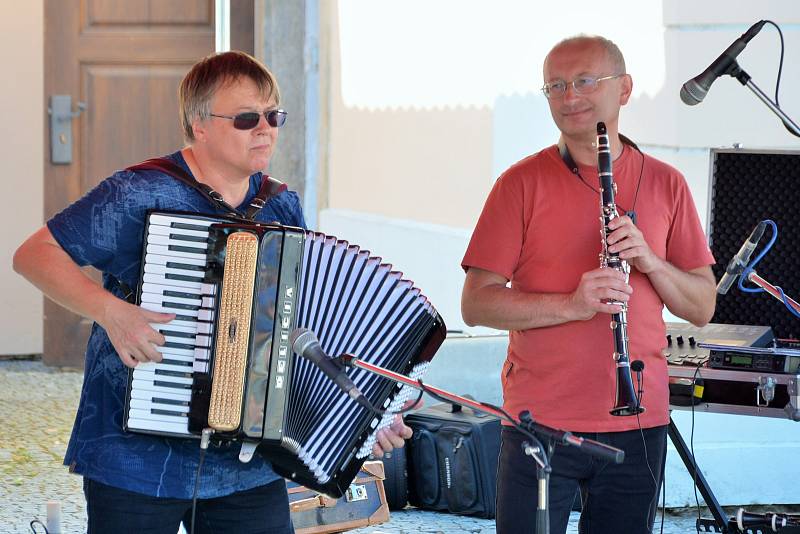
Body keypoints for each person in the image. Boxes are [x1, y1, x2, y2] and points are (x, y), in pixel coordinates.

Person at [14, 50, 411, 534]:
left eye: (273, 116)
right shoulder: (140, 193)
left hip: (244, 466)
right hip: (136, 457)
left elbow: (297, 326)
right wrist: (111, 312)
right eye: (247, 118)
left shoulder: (281, 204)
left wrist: (361, 420)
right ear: (199, 125)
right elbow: (35, 254)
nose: (265, 129)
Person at [460, 35, 717, 534]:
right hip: (540, 421)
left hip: (638, 421)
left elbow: (702, 306)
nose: (569, 96)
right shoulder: (519, 184)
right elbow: (475, 304)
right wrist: (573, 304)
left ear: (623, 89)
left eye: (584, 81)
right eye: (554, 86)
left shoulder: (666, 182)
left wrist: (650, 261)